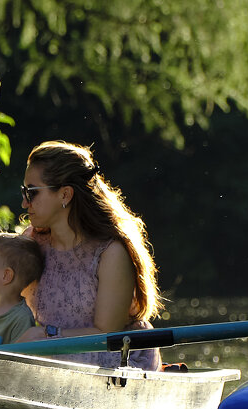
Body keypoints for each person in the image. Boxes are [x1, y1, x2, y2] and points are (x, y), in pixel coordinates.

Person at [13, 141, 163, 369]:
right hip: (50, 360)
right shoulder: (32, 241)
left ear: (65, 194)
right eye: (24, 192)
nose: (24, 202)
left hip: (111, 360)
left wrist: (47, 334)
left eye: (31, 193)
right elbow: (8, 299)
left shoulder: (111, 253)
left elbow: (106, 335)